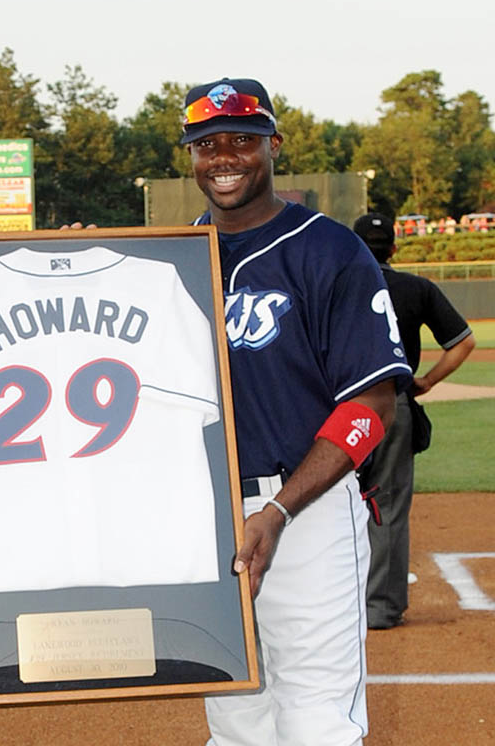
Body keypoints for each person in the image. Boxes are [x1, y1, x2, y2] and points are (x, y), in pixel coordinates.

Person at [180, 78, 411, 746]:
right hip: (204, 517)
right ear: (190, 156)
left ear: (274, 145)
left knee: (316, 723)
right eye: (207, 144)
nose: (224, 157)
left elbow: (372, 403)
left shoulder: (331, 250)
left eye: (242, 140)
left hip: (304, 512)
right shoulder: (169, 255)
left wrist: (280, 510)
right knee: (236, 723)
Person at [353, 213, 475, 629]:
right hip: (393, 402)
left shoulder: (335, 283)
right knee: (386, 505)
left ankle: (330, 605)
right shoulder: (416, 287)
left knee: (326, 503)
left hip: (337, 407)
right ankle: (380, 608)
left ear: (355, 246)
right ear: (393, 248)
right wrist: (427, 381)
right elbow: (463, 343)